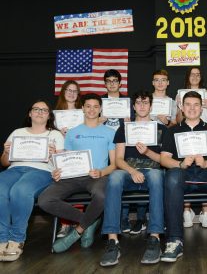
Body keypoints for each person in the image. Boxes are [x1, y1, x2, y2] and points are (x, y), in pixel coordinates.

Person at [160, 91, 207, 262]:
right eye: (188, 104)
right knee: (172, 177)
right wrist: (180, 164)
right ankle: (174, 240)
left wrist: (206, 163)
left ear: (201, 108)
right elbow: (164, 159)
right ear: (181, 107)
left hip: (206, 172)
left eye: (196, 105)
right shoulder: (171, 132)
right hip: (181, 172)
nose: (192, 108)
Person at [38, 93, 116, 253]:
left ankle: (78, 231)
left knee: (101, 196)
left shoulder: (110, 132)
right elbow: (65, 159)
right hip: (71, 177)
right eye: (88, 106)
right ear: (82, 108)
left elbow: (115, 164)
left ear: (100, 109)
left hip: (96, 177)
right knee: (44, 200)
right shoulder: (72, 132)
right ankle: (89, 221)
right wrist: (57, 171)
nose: (92, 110)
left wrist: (101, 172)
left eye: (95, 106)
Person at [100, 90, 167, 266]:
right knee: (114, 178)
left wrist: (147, 152)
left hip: (152, 171)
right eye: (138, 103)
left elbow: (164, 160)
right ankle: (112, 240)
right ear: (134, 106)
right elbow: (118, 160)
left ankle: (154, 238)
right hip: (128, 171)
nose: (142, 106)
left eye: (146, 102)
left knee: (157, 176)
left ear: (151, 105)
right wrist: (132, 171)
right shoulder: (124, 128)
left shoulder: (161, 129)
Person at [0, 100, 64, 261]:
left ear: (49, 116)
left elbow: (61, 164)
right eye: (36, 109)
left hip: (41, 171)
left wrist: (54, 154)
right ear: (30, 113)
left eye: (44, 110)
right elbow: (4, 162)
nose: (40, 112)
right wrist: (7, 152)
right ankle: (2, 238)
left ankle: (16, 239)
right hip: (14, 169)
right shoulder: (17, 132)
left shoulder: (55, 135)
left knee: (20, 190)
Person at [175, 67, 207, 228]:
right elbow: (177, 119)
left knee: (204, 170)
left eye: (198, 74)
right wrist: (179, 106)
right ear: (188, 77)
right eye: (192, 74)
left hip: (204, 134)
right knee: (186, 170)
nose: (195, 76)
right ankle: (186, 211)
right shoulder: (180, 94)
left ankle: (206, 213)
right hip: (185, 134)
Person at [99, 69, 133, 233]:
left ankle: (124, 218)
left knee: (121, 180)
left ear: (120, 83)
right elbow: (90, 124)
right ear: (105, 84)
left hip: (122, 146)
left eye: (115, 81)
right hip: (104, 146)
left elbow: (137, 125)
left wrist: (129, 121)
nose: (112, 83)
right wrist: (98, 120)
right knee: (107, 183)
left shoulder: (127, 102)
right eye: (108, 81)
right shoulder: (98, 103)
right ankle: (107, 217)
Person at [54, 80, 84, 239]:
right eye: (68, 90)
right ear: (63, 92)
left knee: (80, 187)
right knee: (64, 187)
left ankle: (80, 223)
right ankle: (65, 224)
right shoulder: (55, 114)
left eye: (75, 91)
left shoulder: (84, 112)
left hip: (80, 153)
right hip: (62, 153)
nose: (72, 93)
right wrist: (60, 133)